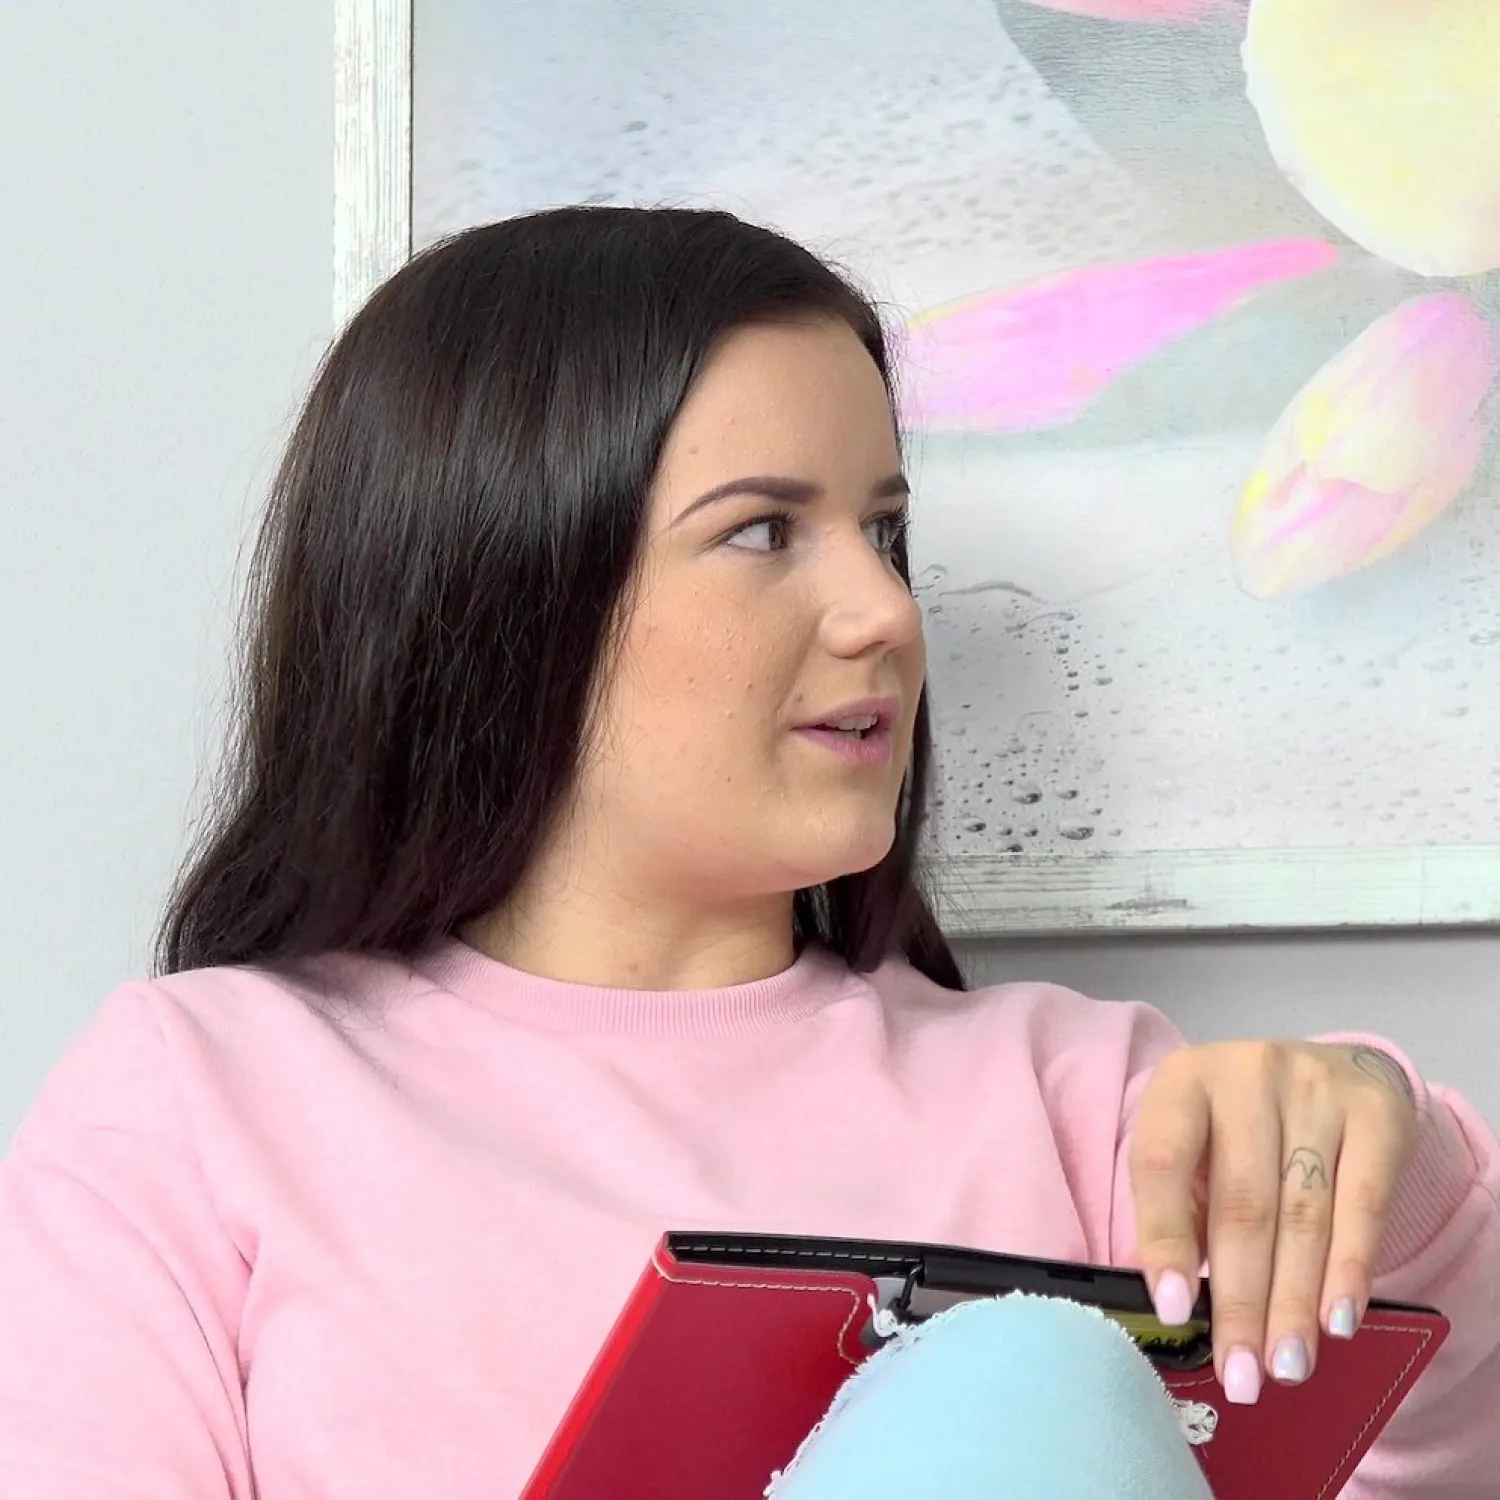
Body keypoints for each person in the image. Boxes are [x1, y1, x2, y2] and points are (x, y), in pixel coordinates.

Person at [0, 207, 1496, 1499]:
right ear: (509, 579)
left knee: (1029, 1386)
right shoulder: (207, 1099)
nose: (887, 613)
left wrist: (1390, 1159)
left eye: (884, 532)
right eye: (765, 533)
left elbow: (1435, 1456)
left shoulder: (1096, 1114)